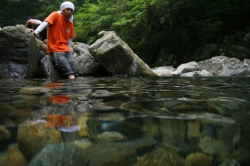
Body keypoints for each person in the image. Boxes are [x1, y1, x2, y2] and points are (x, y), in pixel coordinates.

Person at [33, 1, 78, 79]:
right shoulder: (56, 15)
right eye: (68, 9)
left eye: (71, 10)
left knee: (75, 73)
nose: (70, 12)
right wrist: (36, 32)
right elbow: (45, 23)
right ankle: (72, 89)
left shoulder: (70, 22)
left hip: (67, 50)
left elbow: (69, 38)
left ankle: (72, 87)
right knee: (69, 73)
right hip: (56, 49)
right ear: (63, 9)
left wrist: (70, 49)